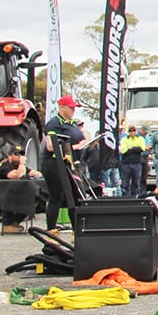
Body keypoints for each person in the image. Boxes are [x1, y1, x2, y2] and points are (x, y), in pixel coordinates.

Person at [41, 94, 90, 229]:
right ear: (62, 107)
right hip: (54, 164)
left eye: (74, 108)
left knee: (75, 197)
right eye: (71, 108)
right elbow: (51, 147)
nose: (73, 110)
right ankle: (51, 229)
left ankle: (76, 230)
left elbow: (82, 137)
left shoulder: (72, 123)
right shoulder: (54, 124)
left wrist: (84, 141)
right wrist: (74, 147)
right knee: (56, 196)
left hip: (71, 163)